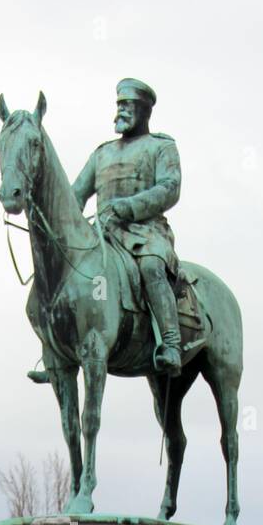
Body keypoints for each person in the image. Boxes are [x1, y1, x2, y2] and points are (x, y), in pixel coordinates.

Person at [69, 78, 184, 379]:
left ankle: (171, 343)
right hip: (104, 237)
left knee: (150, 267)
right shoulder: (102, 154)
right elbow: (75, 196)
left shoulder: (161, 147)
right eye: (118, 105)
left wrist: (129, 206)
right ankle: (59, 349)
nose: (120, 111)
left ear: (145, 110)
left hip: (145, 233)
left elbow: (170, 188)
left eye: (127, 105)